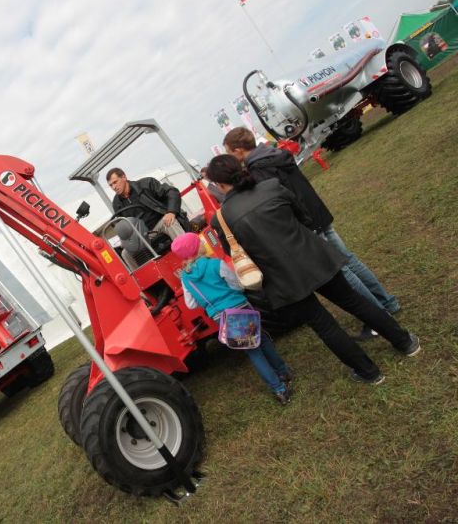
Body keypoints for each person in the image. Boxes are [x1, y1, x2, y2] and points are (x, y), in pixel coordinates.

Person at [205, 154, 420, 385]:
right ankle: (404, 342)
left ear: (219, 184)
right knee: (354, 302)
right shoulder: (271, 188)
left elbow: (234, 253)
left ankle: (369, 372)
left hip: (282, 277)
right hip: (313, 256)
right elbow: (304, 217)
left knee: (324, 324)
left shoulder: (222, 218)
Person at [223, 127, 400, 340]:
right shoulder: (275, 154)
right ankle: (386, 302)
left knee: (343, 271)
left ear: (239, 150)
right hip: (318, 212)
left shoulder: (259, 170)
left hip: (308, 222)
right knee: (350, 261)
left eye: (230, 153)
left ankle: (379, 316)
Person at [172, 232, 293, 405]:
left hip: (221, 316)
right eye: (198, 242)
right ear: (196, 248)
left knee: (252, 350)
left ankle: (280, 389)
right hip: (239, 306)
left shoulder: (185, 278)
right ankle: (283, 372)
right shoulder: (216, 264)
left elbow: (190, 304)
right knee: (263, 339)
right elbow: (236, 285)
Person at [106, 168, 189, 240]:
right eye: (111, 185)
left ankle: (190, 253)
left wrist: (171, 212)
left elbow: (171, 192)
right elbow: (123, 224)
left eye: (115, 182)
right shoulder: (116, 204)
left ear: (124, 177)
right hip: (144, 234)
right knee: (125, 253)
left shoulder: (147, 184)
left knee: (170, 223)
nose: (114, 187)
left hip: (161, 221)